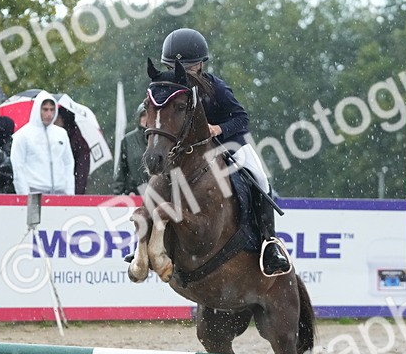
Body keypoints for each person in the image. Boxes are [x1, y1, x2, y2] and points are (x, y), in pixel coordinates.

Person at [159, 28, 291, 276]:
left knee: (260, 180)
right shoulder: (167, 90)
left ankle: (269, 244)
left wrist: (216, 128)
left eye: (187, 67)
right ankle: (148, 240)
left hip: (228, 144)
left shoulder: (215, 87)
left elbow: (242, 119)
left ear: (200, 65)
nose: (182, 73)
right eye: (176, 67)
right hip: (187, 151)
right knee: (159, 179)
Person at [10, 92, 74, 196]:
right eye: (45, 109)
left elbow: (68, 163)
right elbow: (17, 167)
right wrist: (24, 195)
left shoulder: (61, 134)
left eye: (52, 109)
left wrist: (70, 193)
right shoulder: (22, 135)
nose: (49, 114)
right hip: (34, 192)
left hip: (60, 192)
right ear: (37, 109)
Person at [113, 104, 151, 196]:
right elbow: (122, 169)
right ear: (138, 117)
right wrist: (118, 193)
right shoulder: (128, 140)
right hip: (134, 193)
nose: (145, 119)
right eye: (143, 115)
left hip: (159, 193)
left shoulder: (161, 138)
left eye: (149, 115)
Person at [54, 102, 92, 194]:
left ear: (64, 119)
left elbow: (81, 174)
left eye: (57, 118)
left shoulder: (78, 143)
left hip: (68, 192)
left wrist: (75, 195)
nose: (54, 121)